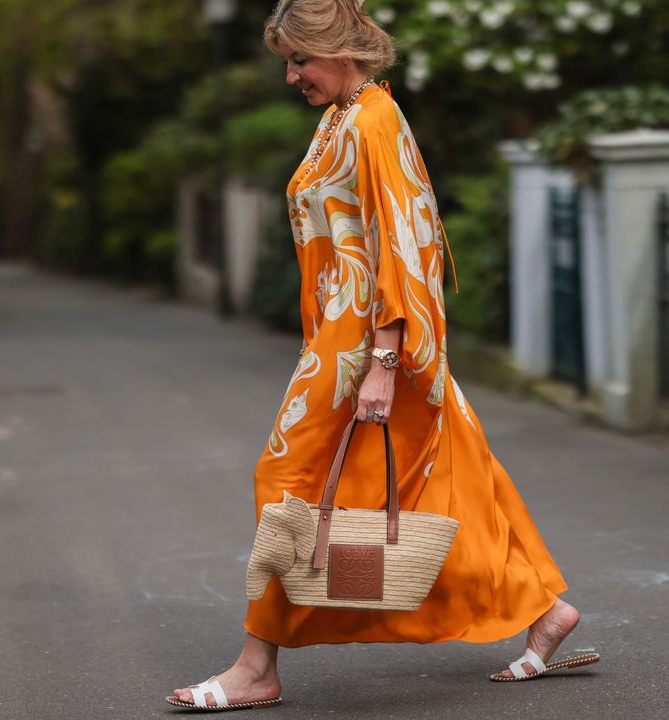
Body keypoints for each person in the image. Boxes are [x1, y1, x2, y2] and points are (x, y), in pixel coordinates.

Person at [167, 0, 599, 710]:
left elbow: (402, 240)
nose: (290, 75)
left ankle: (256, 668)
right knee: (451, 476)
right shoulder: (343, 117)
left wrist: (383, 362)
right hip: (340, 337)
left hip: (363, 343)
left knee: (288, 481)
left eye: (299, 59)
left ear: (338, 50)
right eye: (287, 60)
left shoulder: (372, 119)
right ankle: (544, 611)